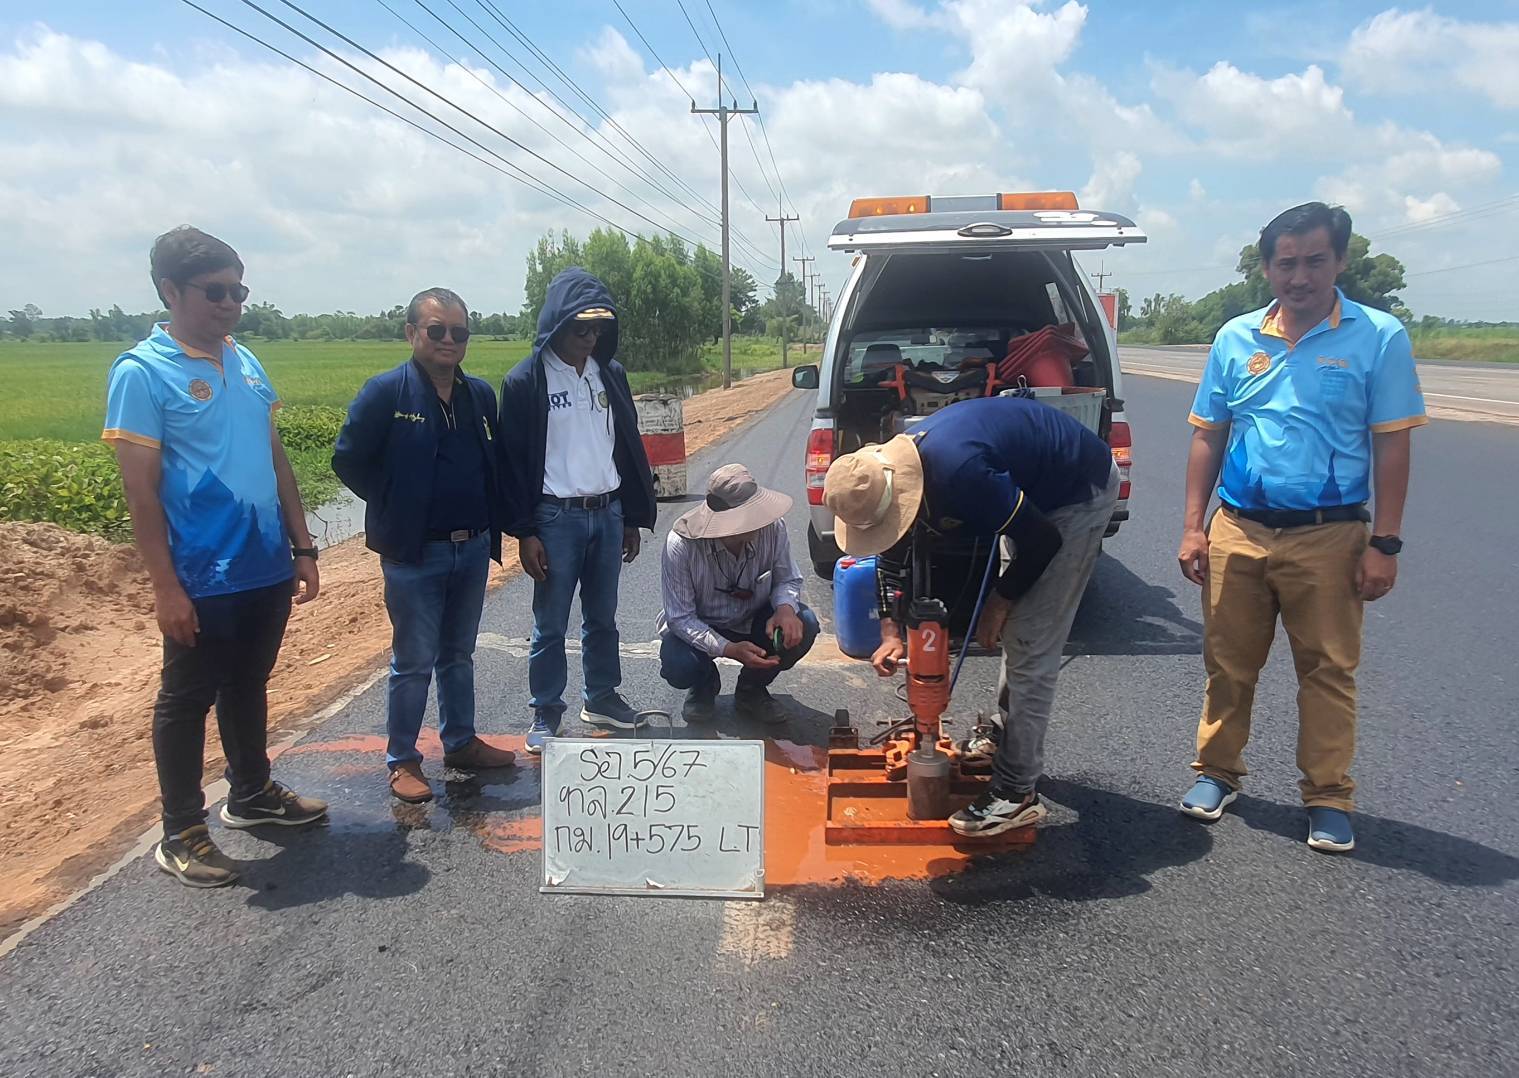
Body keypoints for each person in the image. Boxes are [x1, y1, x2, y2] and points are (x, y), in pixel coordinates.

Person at [1176, 202, 1426, 854]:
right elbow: (1208, 434)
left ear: (1339, 261)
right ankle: (1216, 773)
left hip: (1330, 535)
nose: (1300, 276)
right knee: (1227, 665)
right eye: (1286, 263)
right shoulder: (1236, 338)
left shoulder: (1378, 337)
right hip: (1238, 529)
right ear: (1266, 268)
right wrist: (1193, 527)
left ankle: (1327, 797)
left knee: (1327, 671)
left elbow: (1392, 445)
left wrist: (1385, 543)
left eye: (1315, 260)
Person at [103, 226, 327, 889]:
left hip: (264, 562)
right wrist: (165, 588)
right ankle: (181, 831)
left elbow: (274, 459)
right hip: (201, 574)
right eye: (215, 291)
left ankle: (251, 791)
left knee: (248, 682)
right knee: (186, 698)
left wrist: (302, 545)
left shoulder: (245, 359)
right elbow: (141, 494)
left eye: (239, 291)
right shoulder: (143, 372)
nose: (231, 303)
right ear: (170, 291)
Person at [823, 394, 1120, 837]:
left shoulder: (960, 472)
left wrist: (999, 602)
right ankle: (1003, 735)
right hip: (1026, 491)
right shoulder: (897, 473)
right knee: (1017, 627)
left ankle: (1017, 793)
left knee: (1029, 641)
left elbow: (1042, 540)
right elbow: (891, 555)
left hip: (1075, 493)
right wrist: (891, 632)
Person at [332, 288, 517, 804]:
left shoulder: (479, 395)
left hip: (472, 547)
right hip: (415, 554)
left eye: (459, 332)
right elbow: (348, 460)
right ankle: (403, 760)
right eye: (437, 330)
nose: (448, 340)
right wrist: (395, 504)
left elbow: (493, 464)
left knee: (458, 654)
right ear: (412, 333)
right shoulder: (386, 393)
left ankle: (460, 742)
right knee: (413, 660)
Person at [497, 268, 656, 753]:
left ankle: (602, 697)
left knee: (603, 617)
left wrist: (631, 517)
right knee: (550, 623)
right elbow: (512, 461)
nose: (590, 338)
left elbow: (625, 446)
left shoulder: (610, 374)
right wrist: (525, 531)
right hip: (555, 518)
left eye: (598, 329)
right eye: (580, 328)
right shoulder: (527, 380)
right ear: (557, 323)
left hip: (607, 513)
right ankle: (546, 712)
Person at [657, 463, 819, 724]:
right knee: (679, 664)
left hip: (755, 619)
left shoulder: (773, 528)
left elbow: (787, 578)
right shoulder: (681, 545)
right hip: (702, 623)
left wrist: (785, 609)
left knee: (805, 623)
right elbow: (680, 618)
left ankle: (751, 690)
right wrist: (728, 649)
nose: (759, 520)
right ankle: (704, 685)